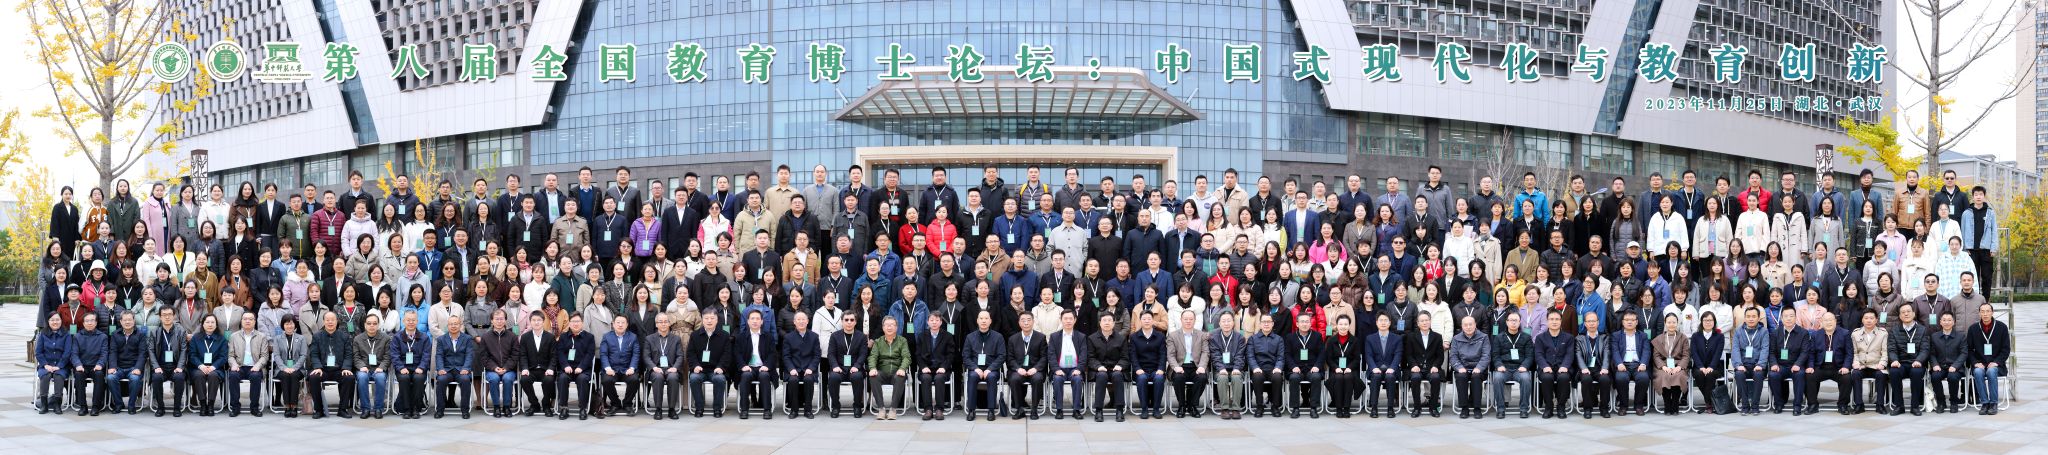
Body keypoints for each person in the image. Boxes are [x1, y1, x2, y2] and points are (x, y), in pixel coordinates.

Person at [1806, 312, 1854, 415]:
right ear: (1821, 322)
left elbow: (1849, 353)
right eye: (1826, 320)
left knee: (1847, 378)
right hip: (1821, 366)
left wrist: (1846, 367)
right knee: (1809, 376)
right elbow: (1811, 353)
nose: (1828, 322)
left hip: (1838, 367)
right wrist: (1810, 366)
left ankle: (1842, 405)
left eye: (1831, 320)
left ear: (1835, 321)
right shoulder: (1815, 334)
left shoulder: (1845, 333)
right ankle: (1812, 405)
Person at [962, 310, 1007, 420]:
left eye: (986, 318)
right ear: (977, 321)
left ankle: (991, 410)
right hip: (975, 369)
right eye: (981, 318)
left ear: (990, 321)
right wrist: (975, 368)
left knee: (991, 377)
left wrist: (990, 369)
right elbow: (965, 356)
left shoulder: (998, 337)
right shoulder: (970, 337)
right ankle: (971, 410)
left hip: (992, 369)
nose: (983, 321)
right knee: (972, 376)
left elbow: (1002, 356)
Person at [1887, 304, 1930, 415]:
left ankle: (1915, 406)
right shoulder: (1894, 330)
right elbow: (1891, 349)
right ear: (1900, 316)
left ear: (1913, 314)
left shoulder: (1923, 330)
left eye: (1908, 311)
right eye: (1903, 312)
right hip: (1900, 363)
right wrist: (1894, 360)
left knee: (1917, 373)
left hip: (1916, 363)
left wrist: (1919, 360)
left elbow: (1925, 349)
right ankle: (1899, 406)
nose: (1906, 314)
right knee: (1894, 372)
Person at [687, 310, 731, 418]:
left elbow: (727, 354)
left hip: (716, 370)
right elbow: (690, 353)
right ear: (702, 320)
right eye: (706, 318)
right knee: (694, 378)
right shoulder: (695, 335)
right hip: (700, 369)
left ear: (717, 320)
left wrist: (721, 367)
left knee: (720, 379)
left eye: (712, 318)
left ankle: (717, 408)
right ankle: (699, 407)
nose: (709, 321)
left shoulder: (724, 335)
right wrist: (695, 365)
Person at [1966, 302, 2008, 415]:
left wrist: (1996, 362)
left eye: (1988, 311)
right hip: (1980, 363)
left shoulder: (2002, 327)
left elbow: (2005, 349)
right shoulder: (1973, 329)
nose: (1985, 314)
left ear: (1992, 312)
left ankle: (1993, 403)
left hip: (1996, 364)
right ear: (1979, 313)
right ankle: (1984, 403)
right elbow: (1969, 350)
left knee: (1991, 371)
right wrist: (1975, 362)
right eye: (1982, 311)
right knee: (1978, 372)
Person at [478, 310, 521, 418]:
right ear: (492, 321)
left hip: (509, 369)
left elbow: (515, 355)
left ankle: (506, 407)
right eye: (496, 319)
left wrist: (506, 367)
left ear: (505, 321)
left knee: (507, 379)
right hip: (492, 369)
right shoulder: (486, 337)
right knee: (494, 379)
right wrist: (494, 367)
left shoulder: (513, 336)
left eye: (502, 319)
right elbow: (484, 356)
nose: (499, 321)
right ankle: (496, 407)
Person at [1529, 311, 1573, 419]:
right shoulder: (1540, 337)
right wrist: (1544, 366)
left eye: (1557, 319)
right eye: (1551, 319)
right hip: (1546, 367)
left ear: (1561, 321)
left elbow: (1570, 354)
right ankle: (1548, 407)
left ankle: (1561, 407)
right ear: (1547, 321)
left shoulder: (1569, 337)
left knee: (1564, 377)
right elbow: (1538, 354)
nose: (1554, 322)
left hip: (1562, 367)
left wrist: (1565, 366)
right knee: (1547, 378)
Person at [1489, 312, 1533, 418]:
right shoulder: (1499, 337)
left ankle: (1524, 408)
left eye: (1516, 320)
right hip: (1504, 368)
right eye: (1511, 320)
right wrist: (1499, 365)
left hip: (1520, 368)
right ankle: (1500, 408)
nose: (1513, 323)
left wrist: (1525, 366)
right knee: (1497, 378)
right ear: (1507, 322)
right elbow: (1495, 355)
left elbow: (1530, 356)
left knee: (1526, 379)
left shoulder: (1526, 337)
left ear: (1519, 322)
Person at [553, 313, 597, 420]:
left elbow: (590, 354)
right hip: (567, 368)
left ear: (582, 323)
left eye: (578, 321)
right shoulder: (563, 337)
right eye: (573, 322)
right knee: (562, 378)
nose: (575, 324)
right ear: (569, 323)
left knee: (582, 379)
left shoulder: (589, 337)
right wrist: (565, 366)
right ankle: (563, 407)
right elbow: (560, 353)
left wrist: (581, 367)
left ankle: (583, 408)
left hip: (583, 369)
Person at [731, 311, 774, 419]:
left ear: (762, 321)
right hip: (748, 367)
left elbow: (772, 354)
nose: (755, 321)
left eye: (757, 319)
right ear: (748, 321)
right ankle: (744, 409)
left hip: (762, 367)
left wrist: (767, 365)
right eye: (752, 319)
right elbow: (737, 353)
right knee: (745, 376)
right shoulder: (741, 337)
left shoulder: (768, 336)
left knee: (765, 376)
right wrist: (743, 366)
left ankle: (767, 409)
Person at [227, 312, 271, 417]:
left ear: (254, 322)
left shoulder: (261, 336)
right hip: (239, 366)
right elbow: (230, 355)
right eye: (245, 319)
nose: (247, 321)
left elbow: (265, 355)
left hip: (255, 367)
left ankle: (254, 407)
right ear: (241, 321)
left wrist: (258, 366)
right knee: (233, 375)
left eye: (250, 319)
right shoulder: (234, 336)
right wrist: (233, 364)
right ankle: (235, 407)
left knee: (256, 377)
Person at [148, 307, 189, 417]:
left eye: (170, 314)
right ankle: (160, 407)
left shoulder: (180, 331)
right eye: (164, 314)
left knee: (179, 377)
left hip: (176, 366)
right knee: (156, 378)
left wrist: (180, 366)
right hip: (160, 366)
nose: (167, 317)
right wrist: (156, 367)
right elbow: (151, 350)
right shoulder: (155, 332)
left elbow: (184, 350)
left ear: (174, 316)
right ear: (160, 317)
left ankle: (177, 407)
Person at [1609, 311, 1652, 415]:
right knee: (1621, 378)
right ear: (1622, 322)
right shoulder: (1616, 335)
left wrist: (1643, 364)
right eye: (1627, 320)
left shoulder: (1643, 335)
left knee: (1643, 378)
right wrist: (1619, 363)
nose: (1629, 322)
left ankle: (1639, 405)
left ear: (1636, 322)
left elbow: (1646, 351)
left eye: (1632, 320)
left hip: (1638, 365)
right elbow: (1615, 351)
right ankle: (1623, 406)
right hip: (1623, 364)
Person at [1007, 312, 1049, 419]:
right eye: (1023, 320)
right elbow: (1010, 358)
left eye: (1029, 320)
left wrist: (1036, 368)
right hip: (1019, 370)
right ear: (1019, 323)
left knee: (1037, 379)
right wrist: (1018, 368)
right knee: (1014, 379)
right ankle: (1019, 409)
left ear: (1033, 322)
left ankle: (1034, 409)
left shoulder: (1041, 337)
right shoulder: (1013, 339)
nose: (1026, 323)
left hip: (1035, 370)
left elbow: (1044, 357)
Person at [777, 312, 818, 419]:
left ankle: (808, 410)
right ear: (794, 322)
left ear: (807, 321)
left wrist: (811, 368)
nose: (801, 322)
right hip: (793, 369)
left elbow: (816, 356)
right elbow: (786, 356)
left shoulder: (814, 336)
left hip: (808, 369)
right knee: (793, 380)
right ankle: (794, 409)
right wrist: (791, 369)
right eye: (798, 319)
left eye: (803, 319)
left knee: (809, 379)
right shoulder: (788, 337)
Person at [1404, 311, 1446, 417]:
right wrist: (1413, 365)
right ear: (1418, 323)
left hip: (1431, 368)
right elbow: (1408, 355)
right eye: (1422, 321)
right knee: (1415, 378)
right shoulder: (1411, 336)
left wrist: (1435, 366)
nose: (1424, 323)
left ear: (1430, 322)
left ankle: (1433, 408)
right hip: (1416, 368)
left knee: (1436, 378)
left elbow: (1440, 356)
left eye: (1426, 320)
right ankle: (1417, 408)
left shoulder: (1437, 337)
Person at [1089, 313, 1130, 421]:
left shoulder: (1121, 338)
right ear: (1100, 323)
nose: (1107, 323)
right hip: (1099, 369)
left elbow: (1125, 357)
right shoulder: (1092, 338)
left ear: (1114, 323)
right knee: (1101, 376)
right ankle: (1098, 410)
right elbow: (1090, 358)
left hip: (1116, 368)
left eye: (1109, 320)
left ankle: (1119, 409)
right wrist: (1098, 366)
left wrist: (1120, 365)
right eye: (1104, 320)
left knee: (1117, 376)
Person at [1449, 315, 1490, 419]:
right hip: (1462, 367)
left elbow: (1486, 355)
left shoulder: (1484, 337)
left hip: (1478, 368)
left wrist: (1479, 367)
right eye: (1465, 325)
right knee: (1461, 376)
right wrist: (1459, 367)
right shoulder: (1456, 338)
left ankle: (1477, 408)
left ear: (1475, 325)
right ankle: (1464, 407)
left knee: (1476, 377)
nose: (1468, 327)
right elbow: (1453, 356)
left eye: (1470, 324)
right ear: (1462, 326)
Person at [516, 312, 556, 417]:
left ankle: (546, 405)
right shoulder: (525, 337)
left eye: (539, 320)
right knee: (524, 380)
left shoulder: (550, 337)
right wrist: (524, 368)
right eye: (534, 320)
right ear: (530, 322)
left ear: (543, 322)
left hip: (545, 369)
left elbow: (554, 356)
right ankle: (534, 404)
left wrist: (551, 368)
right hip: (531, 369)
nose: (536, 322)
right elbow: (523, 355)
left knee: (549, 380)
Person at [1730, 308, 1768, 415]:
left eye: (1754, 316)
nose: (1751, 319)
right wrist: (1738, 365)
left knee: (1759, 375)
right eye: (1748, 316)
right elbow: (1735, 349)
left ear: (1758, 318)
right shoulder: (1738, 331)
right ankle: (1745, 405)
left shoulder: (1764, 331)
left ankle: (1755, 405)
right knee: (1739, 374)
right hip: (1743, 365)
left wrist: (1760, 364)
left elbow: (1765, 349)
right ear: (1745, 318)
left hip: (1758, 365)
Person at [1208, 313, 1247, 419]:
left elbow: (1240, 356)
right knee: (1222, 378)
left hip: (1236, 368)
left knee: (1236, 377)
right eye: (1223, 321)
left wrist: (1237, 368)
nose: (1226, 323)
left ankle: (1235, 408)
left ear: (1233, 323)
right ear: (1219, 323)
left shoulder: (1240, 337)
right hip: (1220, 369)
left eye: (1229, 321)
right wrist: (1221, 368)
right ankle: (1224, 408)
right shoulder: (1213, 337)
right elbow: (1215, 356)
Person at [1849, 310, 1889, 414]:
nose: (1869, 320)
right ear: (1862, 320)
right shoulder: (1855, 334)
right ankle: (1859, 404)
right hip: (1861, 365)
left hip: (1876, 365)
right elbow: (1854, 352)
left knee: (1881, 375)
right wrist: (1855, 363)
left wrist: (1882, 363)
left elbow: (1885, 351)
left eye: (1871, 318)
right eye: (1866, 318)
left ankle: (1880, 405)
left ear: (1876, 320)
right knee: (1855, 374)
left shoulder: (1883, 334)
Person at [908, 314, 947, 420]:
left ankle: (939, 409)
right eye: (932, 320)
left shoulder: (947, 336)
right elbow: (918, 354)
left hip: (941, 368)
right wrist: (923, 366)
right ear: (928, 322)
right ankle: (928, 409)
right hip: (926, 368)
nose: (934, 322)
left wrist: (944, 367)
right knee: (926, 378)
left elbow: (950, 354)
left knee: (939, 378)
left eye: (937, 320)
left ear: (941, 322)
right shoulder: (921, 336)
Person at [1321, 315, 1361, 418]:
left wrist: (1349, 368)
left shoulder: (1355, 340)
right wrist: (1335, 368)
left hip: (1350, 369)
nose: (1343, 326)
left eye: (1346, 324)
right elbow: (1329, 358)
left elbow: (1357, 359)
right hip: (1336, 369)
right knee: (1338, 378)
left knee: (1348, 377)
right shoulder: (1331, 341)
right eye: (1341, 324)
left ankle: (1346, 408)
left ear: (1349, 325)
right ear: (1337, 326)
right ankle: (1338, 408)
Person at [35, 313, 75, 414]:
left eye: (57, 320)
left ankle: (57, 405)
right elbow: (38, 352)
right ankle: (44, 404)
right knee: (45, 375)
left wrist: (59, 366)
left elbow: (67, 353)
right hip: (46, 365)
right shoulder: (43, 334)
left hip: (62, 366)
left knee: (58, 376)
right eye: (52, 320)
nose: (55, 322)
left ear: (61, 321)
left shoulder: (66, 334)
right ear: (48, 321)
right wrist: (45, 365)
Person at [271, 315, 309, 418]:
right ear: (283, 325)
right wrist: (284, 368)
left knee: (294, 375)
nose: (289, 326)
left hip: (297, 368)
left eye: (291, 323)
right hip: (282, 368)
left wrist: (294, 368)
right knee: (285, 376)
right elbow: (276, 355)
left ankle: (294, 406)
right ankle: (287, 406)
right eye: (287, 324)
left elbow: (303, 355)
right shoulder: (277, 339)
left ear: (295, 325)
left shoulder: (301, 338)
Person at [353, 314, 391, 418]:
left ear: (378, 325)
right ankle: (365, 408)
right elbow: (356, 356)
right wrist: (361, 366)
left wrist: (381, 367)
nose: (372, 326)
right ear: (365, 325)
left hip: (379, 368)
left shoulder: (386, 338)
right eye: (369, 323)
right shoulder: (358, 339)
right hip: (364, 368)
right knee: (362, 377)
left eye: (374, 323)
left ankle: (378, 408)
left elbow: (388, 356)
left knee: (380, 377)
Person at [1572, 312, 1609, 418]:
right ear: (1585, 323)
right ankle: (1587, 408)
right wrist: (1583, 368)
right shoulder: (1579, 338)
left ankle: (1604, 408)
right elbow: (1578, 354)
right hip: (1585, 369)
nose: (1591, 323)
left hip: (1599, 368)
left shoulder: (1604, 337)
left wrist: (1605, 368)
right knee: (1586, 379)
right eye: (1589, 321)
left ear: (1598, 322)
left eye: (1593, 321)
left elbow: (1607, 353)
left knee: (1605, 379)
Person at [1686, 312, 1724, 415]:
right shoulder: (1695, 336)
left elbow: (1718, 353)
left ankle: (1708, 403)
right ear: (1701, 322)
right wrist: (1701, 367)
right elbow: (1694, 353)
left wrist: (1711, 366)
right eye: (1705, 320)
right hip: (1699, 366)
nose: (1708, 322)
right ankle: (1710, 402)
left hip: (1715, 366)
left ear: (1714, 322)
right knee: (1699, 374)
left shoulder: (1719, 336)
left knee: (1710, 375)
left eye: (1710, 320)